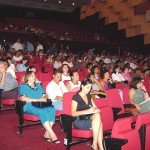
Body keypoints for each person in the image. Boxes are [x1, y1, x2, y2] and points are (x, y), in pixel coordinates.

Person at [19, 71, 60, 143]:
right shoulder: (23, 86)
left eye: (34, 75)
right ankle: (52, 134)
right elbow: (23, 98)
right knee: (43, 111)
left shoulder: (38, 85)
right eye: (32, 75)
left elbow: (45, 94)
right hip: (29, 105)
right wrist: (37, 99)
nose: (34, 76)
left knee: (52, 110)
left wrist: (45, 97)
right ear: (27, 77)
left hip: (41, 104)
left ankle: (47, 133)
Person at [72, 78, 104, 150]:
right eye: (87, 87)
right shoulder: (76, 97)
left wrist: (97, 110)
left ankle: (97, 146)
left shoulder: (89, 95)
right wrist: (87, 111)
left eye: (90, 87)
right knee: (99, 125)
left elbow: (95, 107)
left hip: (88, 118)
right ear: (82, 86)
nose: (89, 90)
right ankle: (96, 145)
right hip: (79, 120)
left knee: (98, 116)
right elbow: (73, 113)